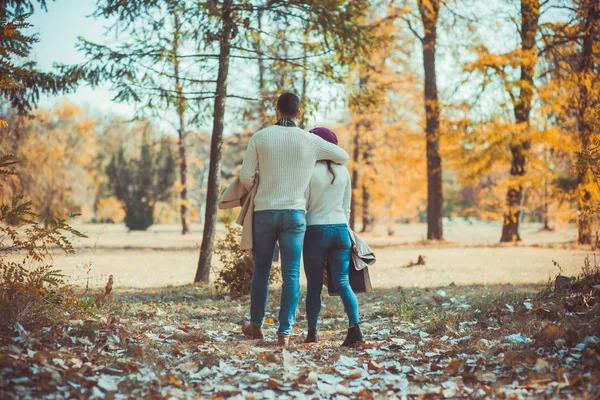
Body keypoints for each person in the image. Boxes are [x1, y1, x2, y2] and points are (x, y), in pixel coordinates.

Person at [239, 93, 349, 347]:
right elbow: (342, 156)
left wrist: (261, 182)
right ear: (298, 114)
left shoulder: (261, 137)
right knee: (291, 274)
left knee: (262, 271)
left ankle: (256, 325)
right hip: (295, 215)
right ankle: (284, 333)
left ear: (276, 111)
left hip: (264, 212)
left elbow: (245, 177)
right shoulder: (309, 140)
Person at [303, 127, 364, 346]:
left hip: (315, 231)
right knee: (343, 282)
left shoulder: (308, 170)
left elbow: (305, 204)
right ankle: (355, 328)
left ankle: (312, 333)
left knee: (314, 287)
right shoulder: (344, 171)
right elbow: (346, 207)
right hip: (340, 230)